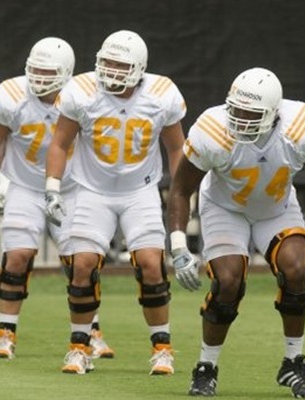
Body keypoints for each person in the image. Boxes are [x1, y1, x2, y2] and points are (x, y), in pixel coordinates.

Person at [167, 67, 305, 397]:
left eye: (251, 114)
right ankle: (206, 366)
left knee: (297, 272)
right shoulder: (212, 128)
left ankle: (293, 362)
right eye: (237, 110)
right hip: (224, 208)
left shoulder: (301, 126)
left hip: (276, 208)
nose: (241, 120)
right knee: (228, 282)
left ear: (274, 113)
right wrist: (178, 246)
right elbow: (180, 189)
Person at [45, 29, 186, 375]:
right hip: (92, 190)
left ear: (140, 68)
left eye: (120, 65)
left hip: (140, 190)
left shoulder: (162, 94)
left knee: (151, 264)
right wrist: (52, 187)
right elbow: (60, 142)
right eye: (107, 62)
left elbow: (176, 149)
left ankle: (162, 349)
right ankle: (79, 347)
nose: (111, 70)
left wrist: (183, 192)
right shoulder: (81, 90)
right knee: (82, 265)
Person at [0, 37, 113, 360]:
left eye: (47, 72)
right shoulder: (11, 95)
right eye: (35, 70)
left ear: (66, 73)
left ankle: (91, 331)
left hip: (73, 188)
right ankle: (6, 333)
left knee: (81, 263)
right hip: (25, 187)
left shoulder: (84, 95)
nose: (39, 78)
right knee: (16, 257)